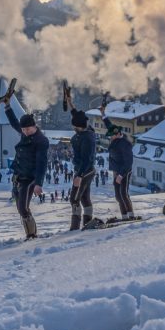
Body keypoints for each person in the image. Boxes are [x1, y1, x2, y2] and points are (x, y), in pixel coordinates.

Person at [1, 94, 48, 240]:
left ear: (34, 126)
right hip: (18, 175)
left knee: (23, 208)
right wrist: (7, 106)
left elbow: (42, 163)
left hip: (30, 178)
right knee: (20, 208)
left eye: (28, 129)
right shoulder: (24, 132)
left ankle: (32, 234)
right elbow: (15, 122)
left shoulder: (41, 141)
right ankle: (30, 233)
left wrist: (39, 184)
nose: (25, 132)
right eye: (23, 130)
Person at [65, 95, 97, 230]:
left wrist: (79, 176)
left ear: (78, 127)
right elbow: (79, 116)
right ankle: (88, 222)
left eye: (74, 126)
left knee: (74, 199)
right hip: (85, 170)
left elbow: (86, 159)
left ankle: (75, 227)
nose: (73, 127)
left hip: (85, 170)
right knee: (84, 198)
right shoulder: (85, 128)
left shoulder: (87, 139)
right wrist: (70, 104)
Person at [100, 103, 135, 220]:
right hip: (116, 170)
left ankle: (130, 216)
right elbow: (109, 125)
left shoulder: (124, 143)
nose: (110, 138)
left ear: (118, 134)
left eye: (112, 136)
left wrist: (121, 175)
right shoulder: (115, 136)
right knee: (118, 196)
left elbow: (129, 162)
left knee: (123, 194)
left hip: (124, 171)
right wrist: (103, 114)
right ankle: (124, 216)